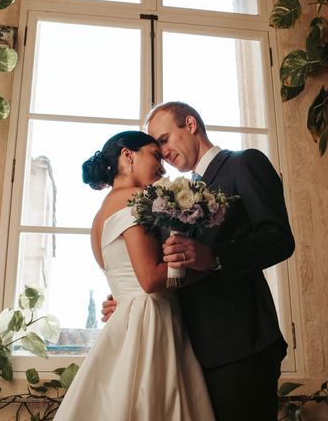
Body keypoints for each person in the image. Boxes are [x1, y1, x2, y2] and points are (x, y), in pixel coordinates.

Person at [103, 102, 296, 420]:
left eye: (164, 139)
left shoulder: (243, 164)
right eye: (156, 146)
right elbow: (164, 266)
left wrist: (216, 257)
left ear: (190, 124)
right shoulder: (173, 194)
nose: (162, 152)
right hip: (185, 353)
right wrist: (128, 300)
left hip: (241, 345)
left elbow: (279, 239)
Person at [54, 130, 215, 421]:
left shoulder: (99, 216)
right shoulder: (136, 199)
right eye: (155, 155)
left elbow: (123, 281)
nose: (163, 167)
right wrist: (208, 265)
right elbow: (151, 280)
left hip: (126, 321)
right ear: (128, 155)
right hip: (152, 320)